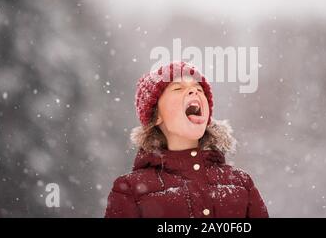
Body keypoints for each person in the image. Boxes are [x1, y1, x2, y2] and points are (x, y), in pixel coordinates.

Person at [105, 61, 269, 218]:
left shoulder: (241, 183)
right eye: (177, 88)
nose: (194, 91)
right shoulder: (130, 190)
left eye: (199, 88)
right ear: (156, 116)